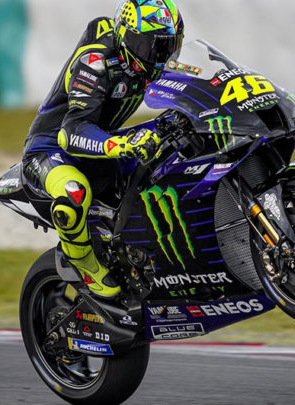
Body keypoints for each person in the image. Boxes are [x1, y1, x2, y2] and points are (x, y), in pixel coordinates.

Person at [21, 0, 184, 298]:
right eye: (148, 46)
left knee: (165, 166)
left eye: (167, 47)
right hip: (50, 150)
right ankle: (84, 264)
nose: (158, 57)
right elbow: (71, 132)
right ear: (126, 37)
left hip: (98, 147)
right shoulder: (95, 63)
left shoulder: (150, 66)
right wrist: (122, 144)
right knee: (73, 193)